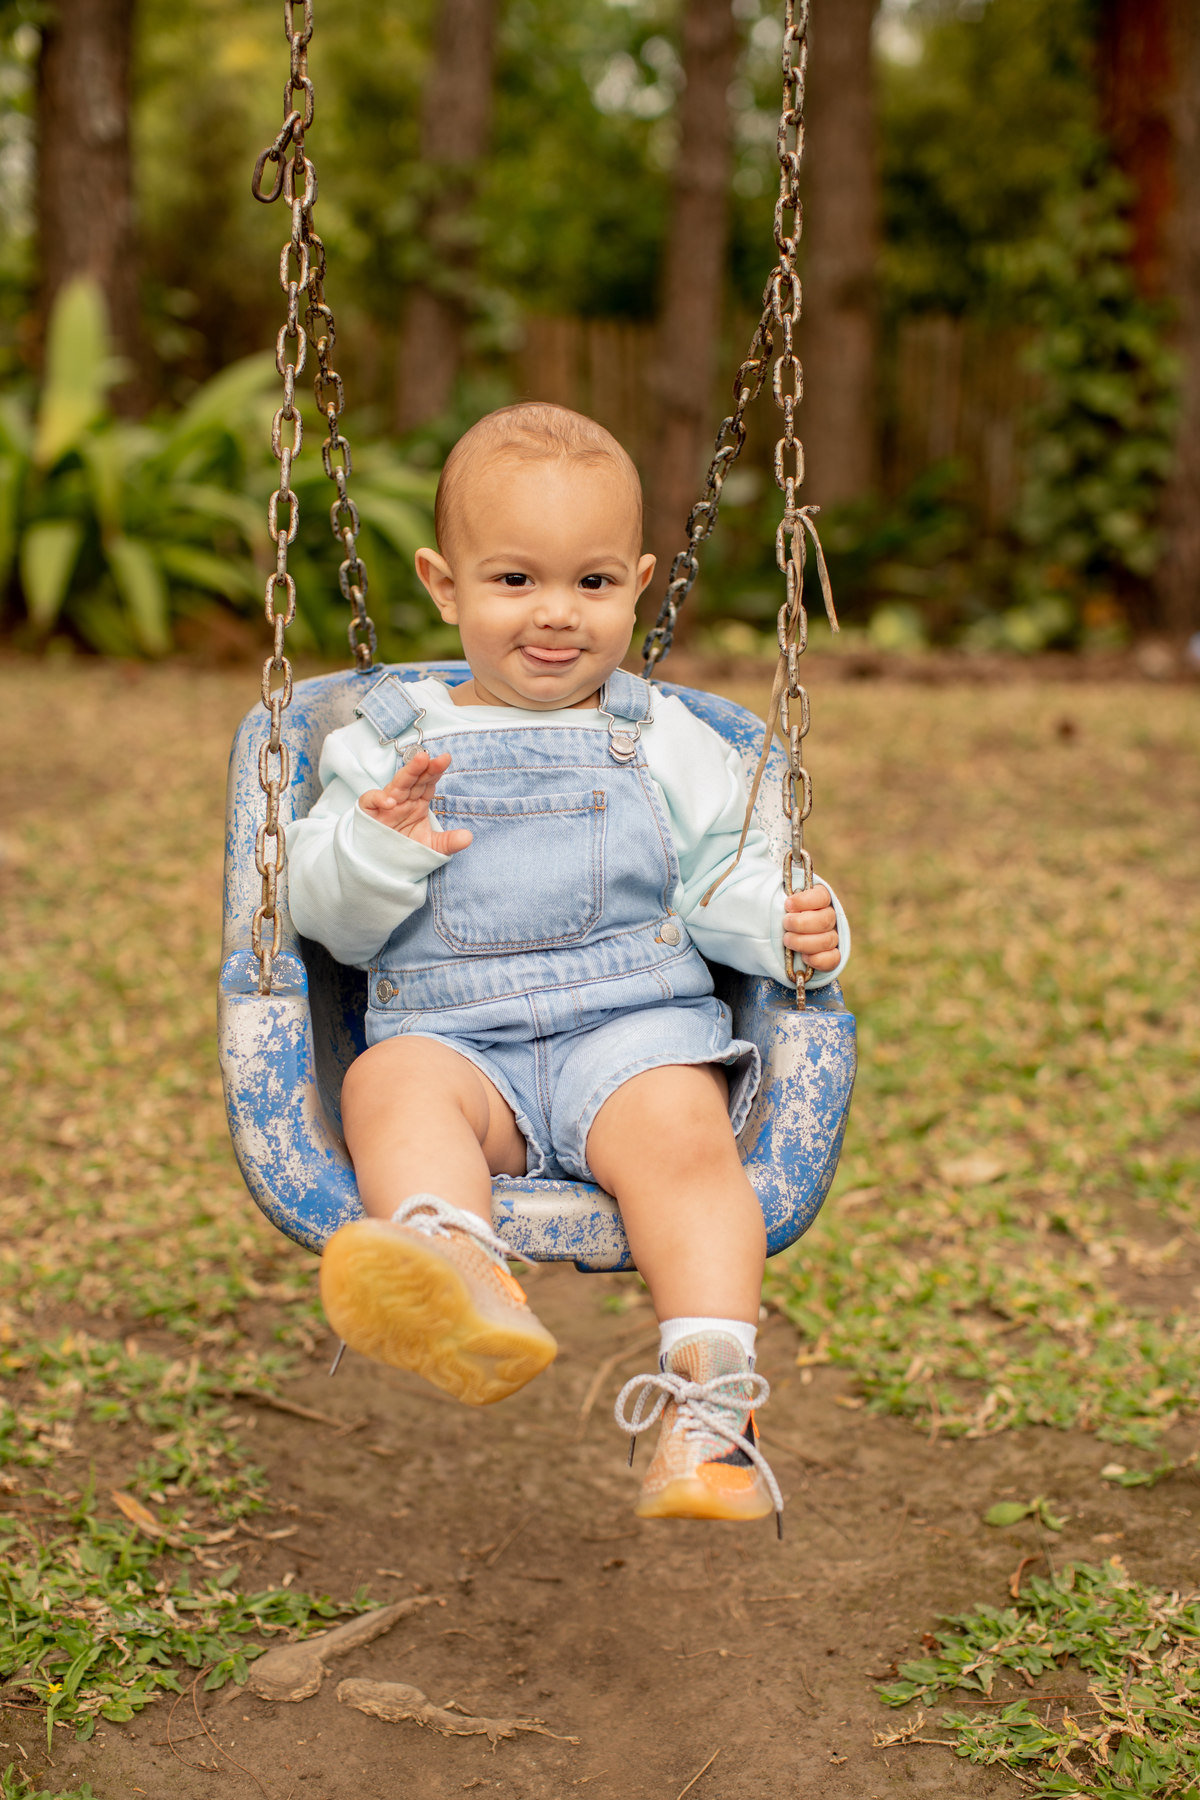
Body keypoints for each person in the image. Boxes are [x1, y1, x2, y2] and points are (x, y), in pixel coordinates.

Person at [286, 402, 848, 1529]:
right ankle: (458, 1266)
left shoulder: (674, 740)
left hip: (630, 1032)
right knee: (385, 1089)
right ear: (444, 587)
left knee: (691, 1150)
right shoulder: (379, 740)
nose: (555, 615)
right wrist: (380, 841)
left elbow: (724, 882)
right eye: (513, 581)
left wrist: (791, 920)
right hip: (455, 1040)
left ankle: (709, 1415)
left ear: (640, 583)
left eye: (593, 584)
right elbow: (320, 917)